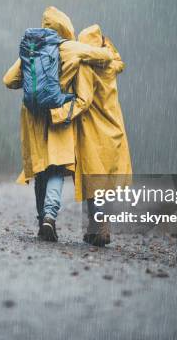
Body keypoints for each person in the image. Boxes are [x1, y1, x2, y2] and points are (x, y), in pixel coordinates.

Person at [3, 7, 115, 242]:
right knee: (56, 168)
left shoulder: (32, 49)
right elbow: (105, 57)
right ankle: (50, 218)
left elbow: (9, 80)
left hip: (33, 117)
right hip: (59, 118)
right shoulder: (70, 47)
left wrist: (34, 86)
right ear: (65, 27)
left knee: (41, 169)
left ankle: (41, 218)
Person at [49, 24, 132, 246]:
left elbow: (83, 101)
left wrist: (58, 114)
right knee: (106, 180)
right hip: (114, 127)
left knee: (91, 178)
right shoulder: (110, 67)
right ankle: (94, 227)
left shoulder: (87, 67)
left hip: (93, 129)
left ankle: (99, 226)